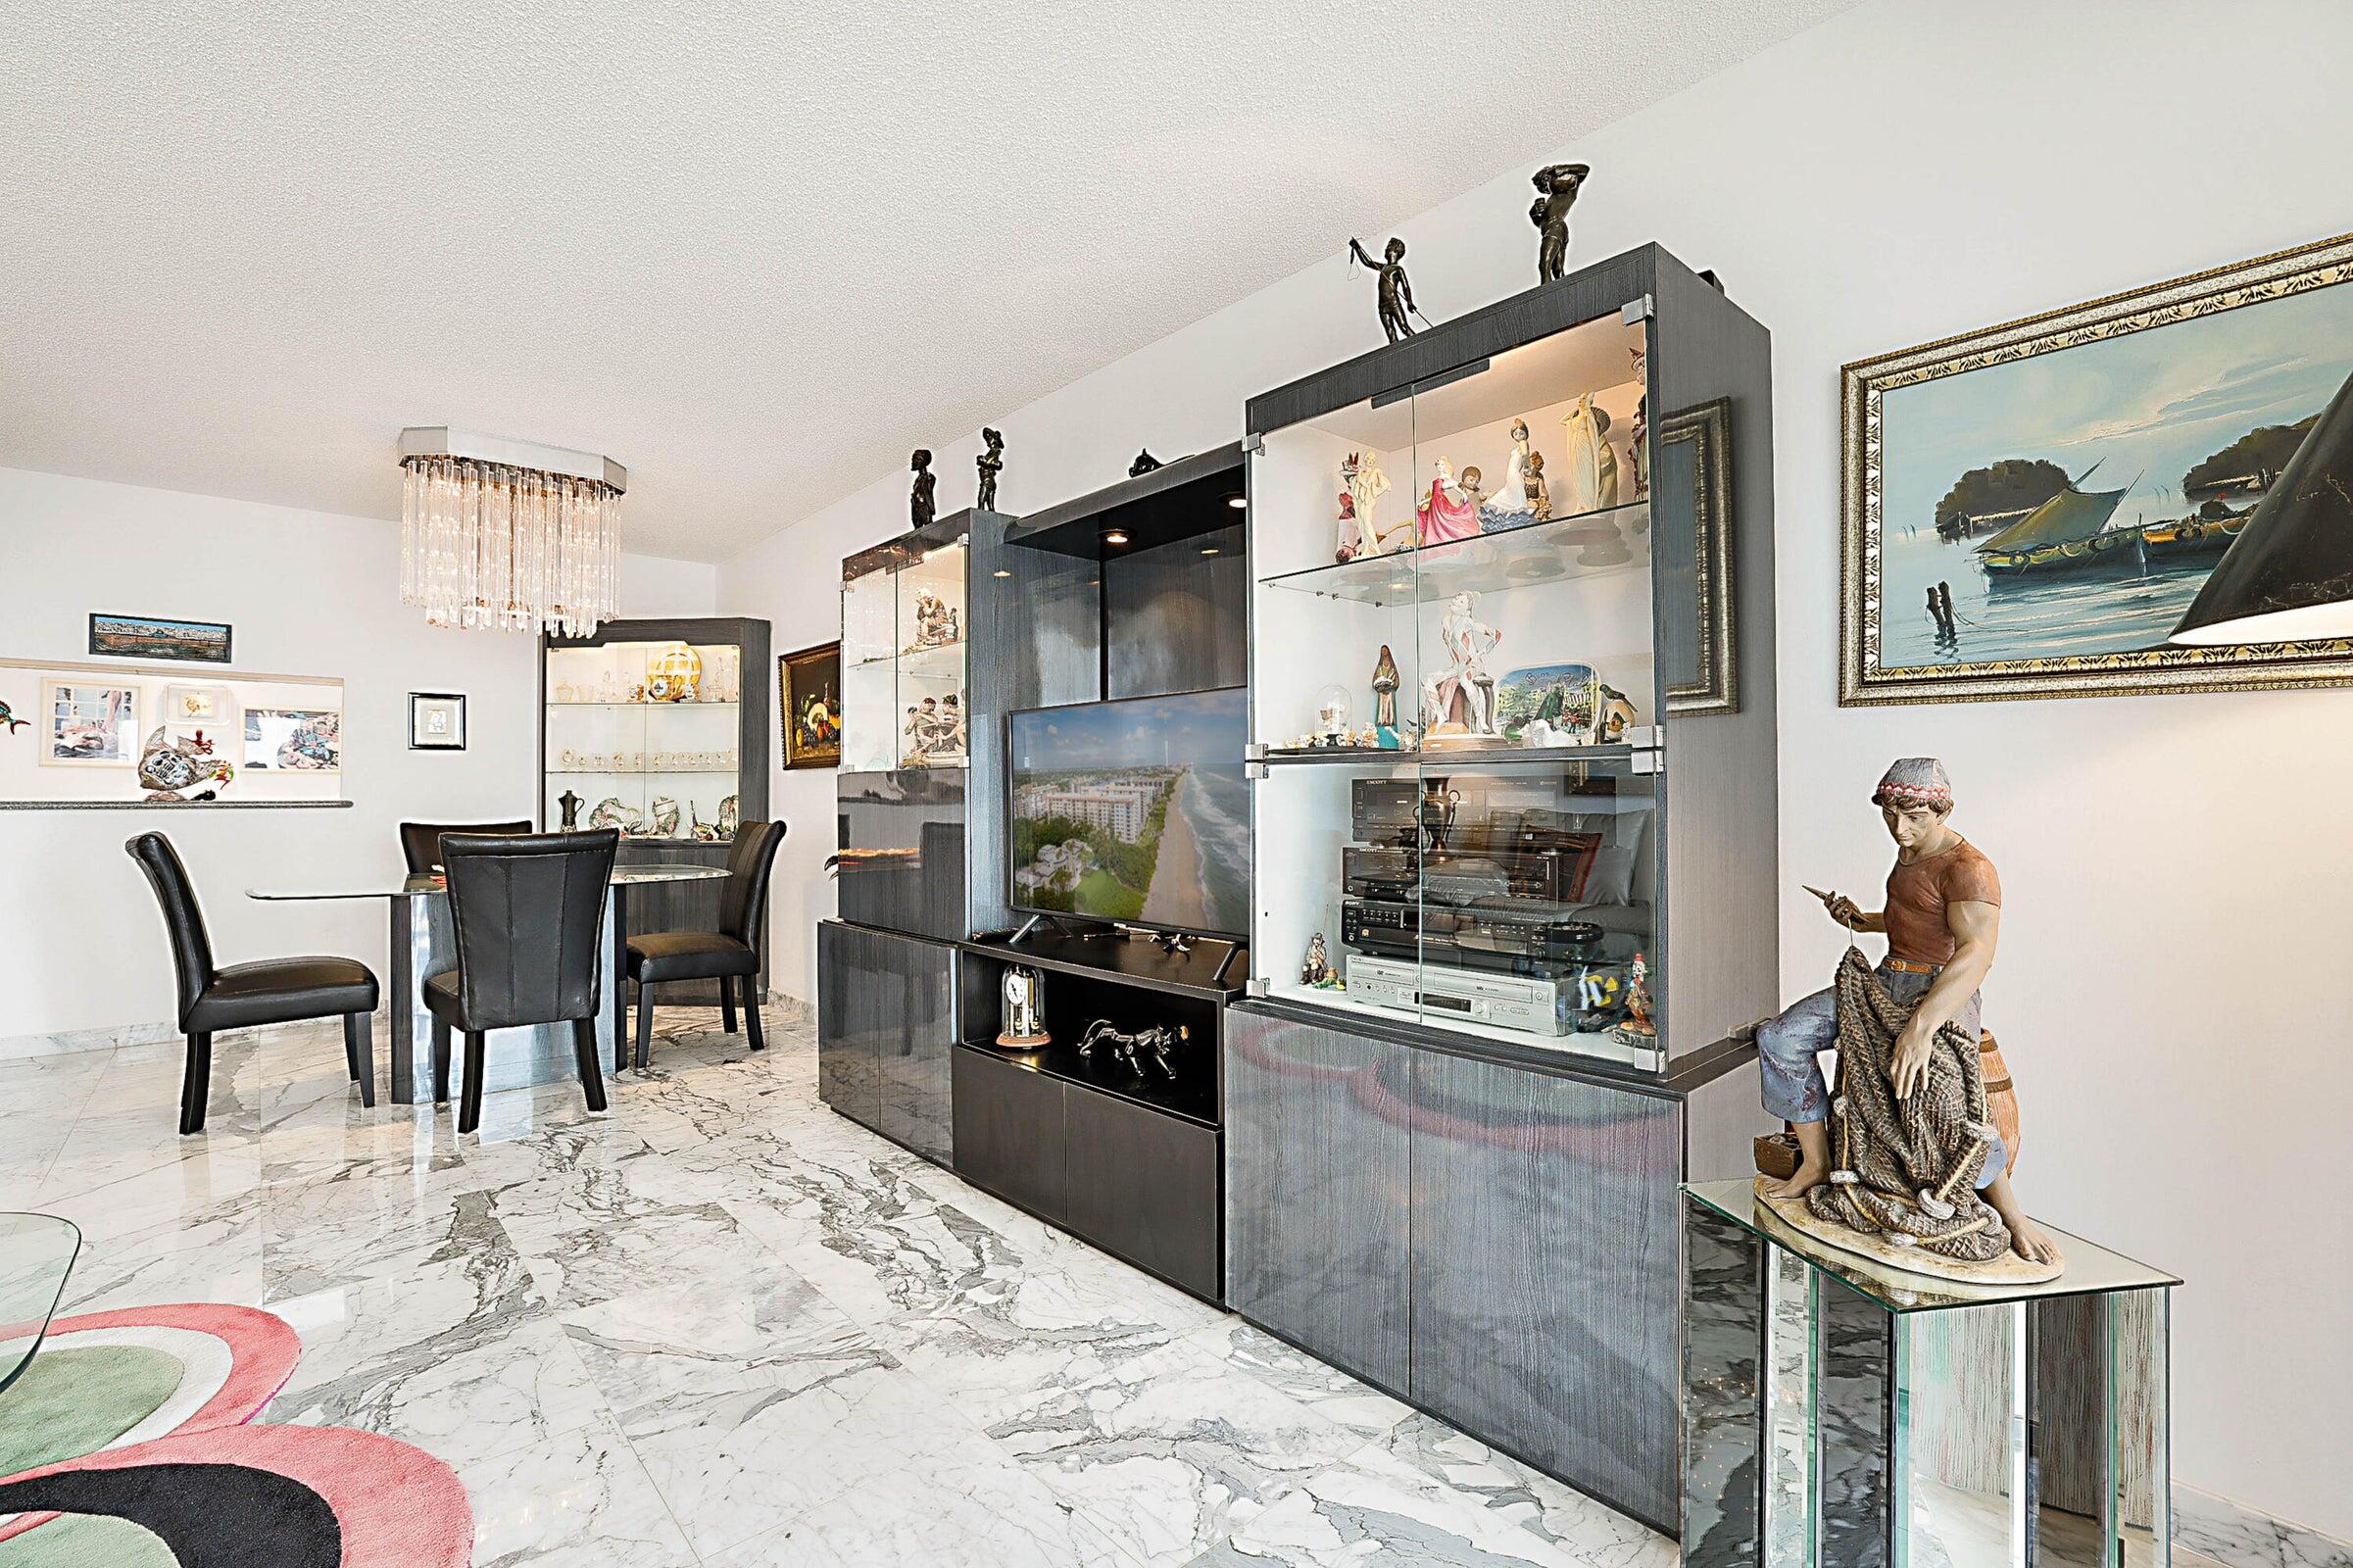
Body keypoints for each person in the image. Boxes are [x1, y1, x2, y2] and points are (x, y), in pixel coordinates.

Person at [1755, 759, 2055, 1264]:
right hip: (1887, 979)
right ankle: (1815, 1163)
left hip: (1942, 993)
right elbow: (1914, 917)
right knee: (1781, 1038)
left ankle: (2012, 1214)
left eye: (1914, 817)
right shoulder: (1910, 852)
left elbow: (1976, 952)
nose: (1900, 828)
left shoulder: (1969, 869)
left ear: (1942, 811)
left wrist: (1921, 1027)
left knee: (1946, 1091)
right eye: (1891, 815)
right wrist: (1863, 920)